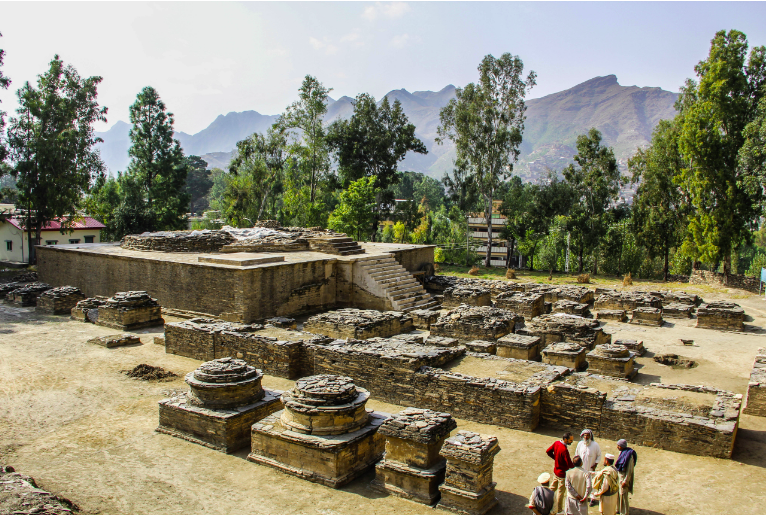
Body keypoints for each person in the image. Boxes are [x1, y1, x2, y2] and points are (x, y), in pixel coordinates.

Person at [546, 432, 574, 515]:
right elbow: (569, 463)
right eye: (570, 440)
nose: (571, 442)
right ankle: (559, 509)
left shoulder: (556, 443)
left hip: (556, 471)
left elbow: (548, 451)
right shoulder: (564, 450)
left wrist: (556, 458)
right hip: (562, 474)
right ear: (565, 439)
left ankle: (546, 502)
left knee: (552, 488)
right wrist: (575, 467)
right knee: (560, 493)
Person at [575, 429, 601, 506]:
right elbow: (576, 454)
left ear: (590, 436)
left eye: (588, 435)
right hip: (581, 468)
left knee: (592, 483)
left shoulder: (595, 445)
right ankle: (582, 496)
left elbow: (599, 455)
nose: (586, 437)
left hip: (590, 468)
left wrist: (595, 464)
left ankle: (593, 498)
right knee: (582, 482)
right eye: (585, 435)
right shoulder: (580, 444)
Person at [615, 439, 637, 515]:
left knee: (623, 495)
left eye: (619, 446)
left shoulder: (629, 456)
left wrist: (626, 481)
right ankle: (618, 509)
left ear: (622, 446)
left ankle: (624, 512)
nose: (617, 447)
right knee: (618, 494)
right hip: (619, 476)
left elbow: (629, 470)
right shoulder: (621, 453)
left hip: (624, 477)